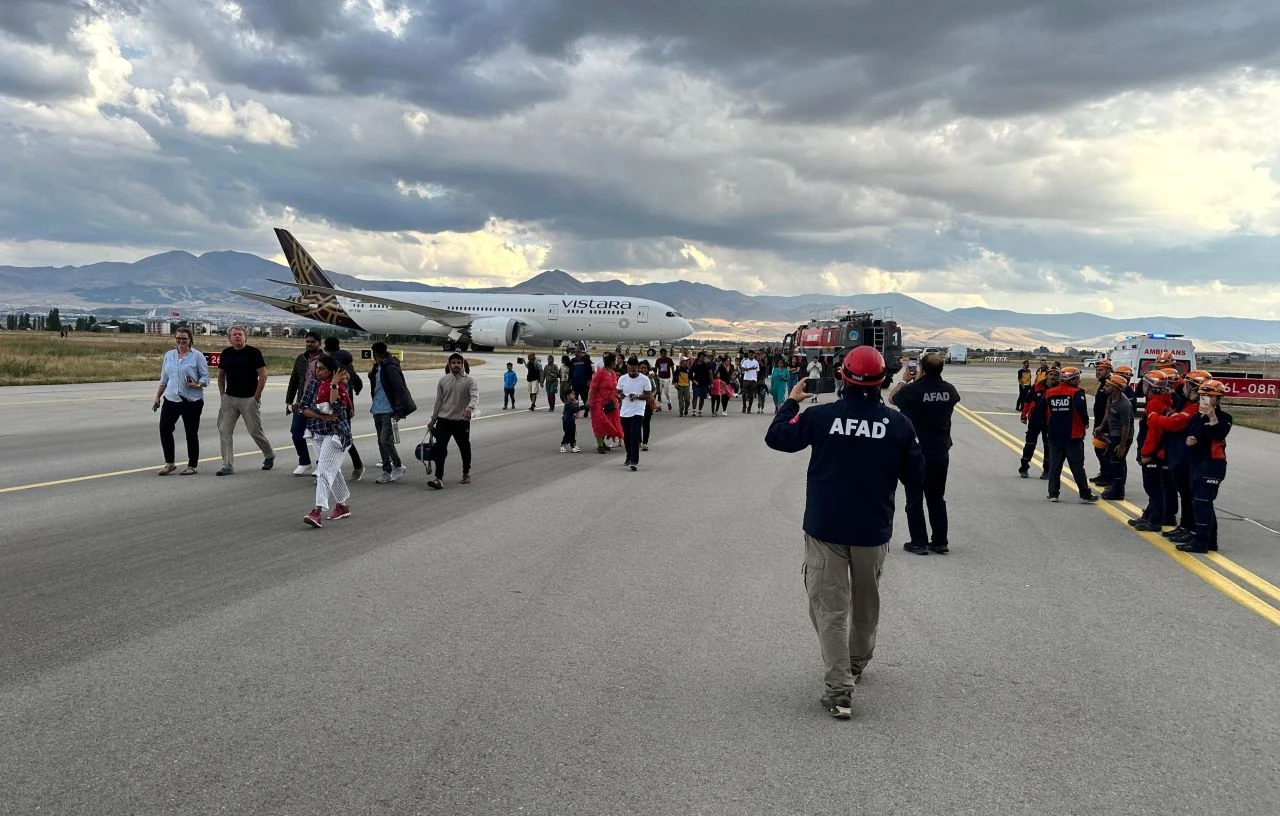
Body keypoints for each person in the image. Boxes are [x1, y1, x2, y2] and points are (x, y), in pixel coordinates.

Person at [765, 346, 926, 720]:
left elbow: (777, 438)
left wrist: (791, 403)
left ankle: (840, 690)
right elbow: (917, 478)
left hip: (827, 528)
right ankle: (856, 661)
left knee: (830, 608)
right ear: (883, 380)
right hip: (873, 530)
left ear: (842, 376)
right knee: (866, 602)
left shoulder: (821, 417)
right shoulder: (898, 424)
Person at [889, 351, 961, 554]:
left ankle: (918, 542)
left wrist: (906, 381)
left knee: (914, 497)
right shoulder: (949, 390)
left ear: (921, 367)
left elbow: (892, 399)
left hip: (916, 451)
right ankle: (940, 540)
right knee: (937, 497)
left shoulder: (913, 390)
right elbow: (950, 399)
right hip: (940, 451)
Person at [1178, 379, 1232, 553]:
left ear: (1218, 398)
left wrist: (1212, 416)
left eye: (1210, 396)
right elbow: (1192, 436)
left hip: (1213, 464)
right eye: (1203, 395)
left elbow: (1220, 433)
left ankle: (1200, 542)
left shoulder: (1224, 418)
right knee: (1202, 503)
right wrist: (1190, 440)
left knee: (1202, 502)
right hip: (1197, 464)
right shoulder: (1196, 418)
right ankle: (1209, 540)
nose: (1206, 399)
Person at [300, 356, 353, 527]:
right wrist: (321, 416)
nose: (317, 371)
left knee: (323, 470)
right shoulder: (313, 385)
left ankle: (317, 511)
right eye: (317, 368)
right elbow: (302, 408)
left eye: (322, 369)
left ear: (332, 371)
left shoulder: (341, 387)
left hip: (336, 435)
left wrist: (335, 384)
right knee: (332, 469)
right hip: (317, 432)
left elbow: (337, 406)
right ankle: (342, 506)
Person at [214, 325, 274, 476]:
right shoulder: (226, 353)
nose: (237, 337)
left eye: (240, 334)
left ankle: (269, 454)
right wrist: (222, 395)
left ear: (245, 337)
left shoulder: (254, 353)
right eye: (234, 335)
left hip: (249, 399)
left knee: (255, 431)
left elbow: (263, 375)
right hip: (230, 399)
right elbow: (221, 375)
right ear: (229, 338)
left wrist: (257, 395)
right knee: (224, 430)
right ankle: (227, 465)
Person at [153, 327, 209, 475]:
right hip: (171, 399)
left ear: (190, 339)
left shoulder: (197, 356)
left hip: (191, 400)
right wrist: (158, 396)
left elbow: (206, 378)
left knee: (191, 433)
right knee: (165, 429)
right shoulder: (169, 355)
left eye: (184, 338)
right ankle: (170, 463)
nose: (181, 341)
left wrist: (197, 384)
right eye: (178, 338)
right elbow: (164, 378)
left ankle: (192, 465)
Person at [1041, 367, 1098, 503]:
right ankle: (1084, 494)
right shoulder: (1077, 393)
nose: (1079, 381)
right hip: (1073, 435)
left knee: (1055, 466)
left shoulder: (1049, 392)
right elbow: (1081, 410)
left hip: (1054, 435)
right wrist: (1085, 423)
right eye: (1077, 378)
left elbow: (1040, 410)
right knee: (1077, 466)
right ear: (1071, 379)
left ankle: (1053, 494)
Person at [426, 352, 479, 489]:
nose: (456, 365)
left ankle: (466, 472)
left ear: (462, 364)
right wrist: (433, 420)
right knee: (440, 449)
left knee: (464, 448)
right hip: (444, 421)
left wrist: (469, 408)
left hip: (461, 421)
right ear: (449, 364)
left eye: (458, 362)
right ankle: (438, 478)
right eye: (453, 362)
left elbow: (475, 397)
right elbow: (438, 402)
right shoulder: (443, 380)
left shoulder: (469, 381)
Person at [369, 342, 416, 484]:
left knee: (385, 440)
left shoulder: (390, 367)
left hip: (389, 410)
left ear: (374, 353)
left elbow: (399, 388)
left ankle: (397, 465)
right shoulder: (378, 367)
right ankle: (386, 470)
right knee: (381, 442)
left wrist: (400, 410)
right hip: (377, 408)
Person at [1131, 369, 1172, 532]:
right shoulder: (1164, 400)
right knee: (1154, 486)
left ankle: (1155, 520)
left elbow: (1153, 432)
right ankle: (1149, 515)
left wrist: (1146, 453)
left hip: (1154, 452)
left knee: (1153, 487)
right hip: (1159, 450)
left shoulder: (1155, 403)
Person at [324, 336, 365, 482]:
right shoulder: (348, 363)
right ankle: (353, 466)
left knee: (337, 437)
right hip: (347, 405)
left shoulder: (331, 362)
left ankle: (332, 470)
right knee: (339, 437)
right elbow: (358, 381)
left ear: (326, 346)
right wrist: (356, 390)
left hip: (334, 404)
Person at [285, 331, 323, 475]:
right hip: (302, 402)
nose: (309, 344)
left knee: (318, 436)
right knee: (296, 432)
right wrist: (289, 401)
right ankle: (304, 462)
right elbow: (294, 380)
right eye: (307, 341)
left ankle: (321, 464)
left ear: (320, 343)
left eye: (312, 342)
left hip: (319, 403)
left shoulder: (325, 359)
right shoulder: (301, 359)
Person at [1098, 373, 1133, 501]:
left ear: (1117, 388)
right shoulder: (1110, 398)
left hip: (1122, 436)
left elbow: (1126, 426)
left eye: (1108, 386)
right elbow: (1108, 412)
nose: (1105, 388)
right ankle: (1115, 486)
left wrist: (1122, 445)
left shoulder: (1124, 405)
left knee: (1117, 462)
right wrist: (1101, 426)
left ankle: (1118, 492)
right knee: (1112, 460)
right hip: (1113, 434)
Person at [1018, 367, 1057, 479]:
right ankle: (1024, 468)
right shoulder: (1036, 387)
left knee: (1048, 446)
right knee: (1030, 445)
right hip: (1035, 420)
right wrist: (1023, 416)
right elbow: (1027, 402)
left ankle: (1046, 470)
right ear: (1047, 375)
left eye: (1055, 375)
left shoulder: (1059, 388)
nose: (1053, 377)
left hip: (1050, 422)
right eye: (1051, 375)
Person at [617, 356, 652, 471]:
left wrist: (637, 396)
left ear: (637, 368)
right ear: (627, 368)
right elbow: (617, 392)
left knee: (634, 435)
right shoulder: (622, 378)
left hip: (638, 411)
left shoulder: (644, 379)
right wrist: (620, 395)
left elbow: (648, 396)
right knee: (626, 437)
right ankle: (628, 455)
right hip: (625, 411)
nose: (631, 372)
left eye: (634, 370)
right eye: (629, 370)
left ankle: (634, 461)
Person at [589, 352, 624, 453]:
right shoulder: (600, 372)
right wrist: (589, 400)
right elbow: (592, 387)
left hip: (610, 401)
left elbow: (613, 389)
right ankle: (600, 445)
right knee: (599, 423)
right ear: (611, 362)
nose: (616, 363)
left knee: (610, 422)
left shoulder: (613, 373)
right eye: (615, 361)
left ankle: (602, 442)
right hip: (598, 402)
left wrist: (618, 396)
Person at [1088, 360, 1114, 488]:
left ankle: (1108, 476)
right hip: (1099, 422)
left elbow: (1109, 408)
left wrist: (1103, 425)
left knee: (1104, 451)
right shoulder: (1102, 384)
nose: (1098, 372)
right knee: (1098, 448)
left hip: (1105, 424)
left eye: (1101, 370)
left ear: (1108, 371)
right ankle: (1103, 473)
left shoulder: (1109, 385)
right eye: (1097, 370)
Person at [638, 359, 658, 450]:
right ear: (638, 369)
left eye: (645, 368)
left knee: (646, 423)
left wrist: (651, 396)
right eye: (641, 368)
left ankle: (645, 443)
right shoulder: (635, 378)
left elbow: (655, 389)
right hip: (637, 404)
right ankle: (639, 441)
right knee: (637, 423)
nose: (643, 369)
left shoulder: (650, 378)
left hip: (647, 403)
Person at [739, 349, 761, 414]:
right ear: (748, 355)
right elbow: (743, 369)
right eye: (750, 355)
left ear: (754, 355)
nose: (751, 356)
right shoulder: (745, 361)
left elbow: (757, 371)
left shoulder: (756, 362)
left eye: (752, 355)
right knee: (744, 394)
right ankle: (744, 406)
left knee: (751, 395)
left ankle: (749, 408)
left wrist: (756, 380)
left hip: (753, 380)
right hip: (746, 379)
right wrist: (750, 368)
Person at [690, 352, 712, 416]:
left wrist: (710, 382)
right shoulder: (695, 364)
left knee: (702, 397)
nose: (703, 358)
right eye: (701, 357)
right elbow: (690, 373)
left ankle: (700, 410)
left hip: (704, 384)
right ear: (698, 357)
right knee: (695, 396)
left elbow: (710, 374)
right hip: (696, 383)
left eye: (703, 357)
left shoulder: (706, 364)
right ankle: (694, 411)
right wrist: (693, 380)